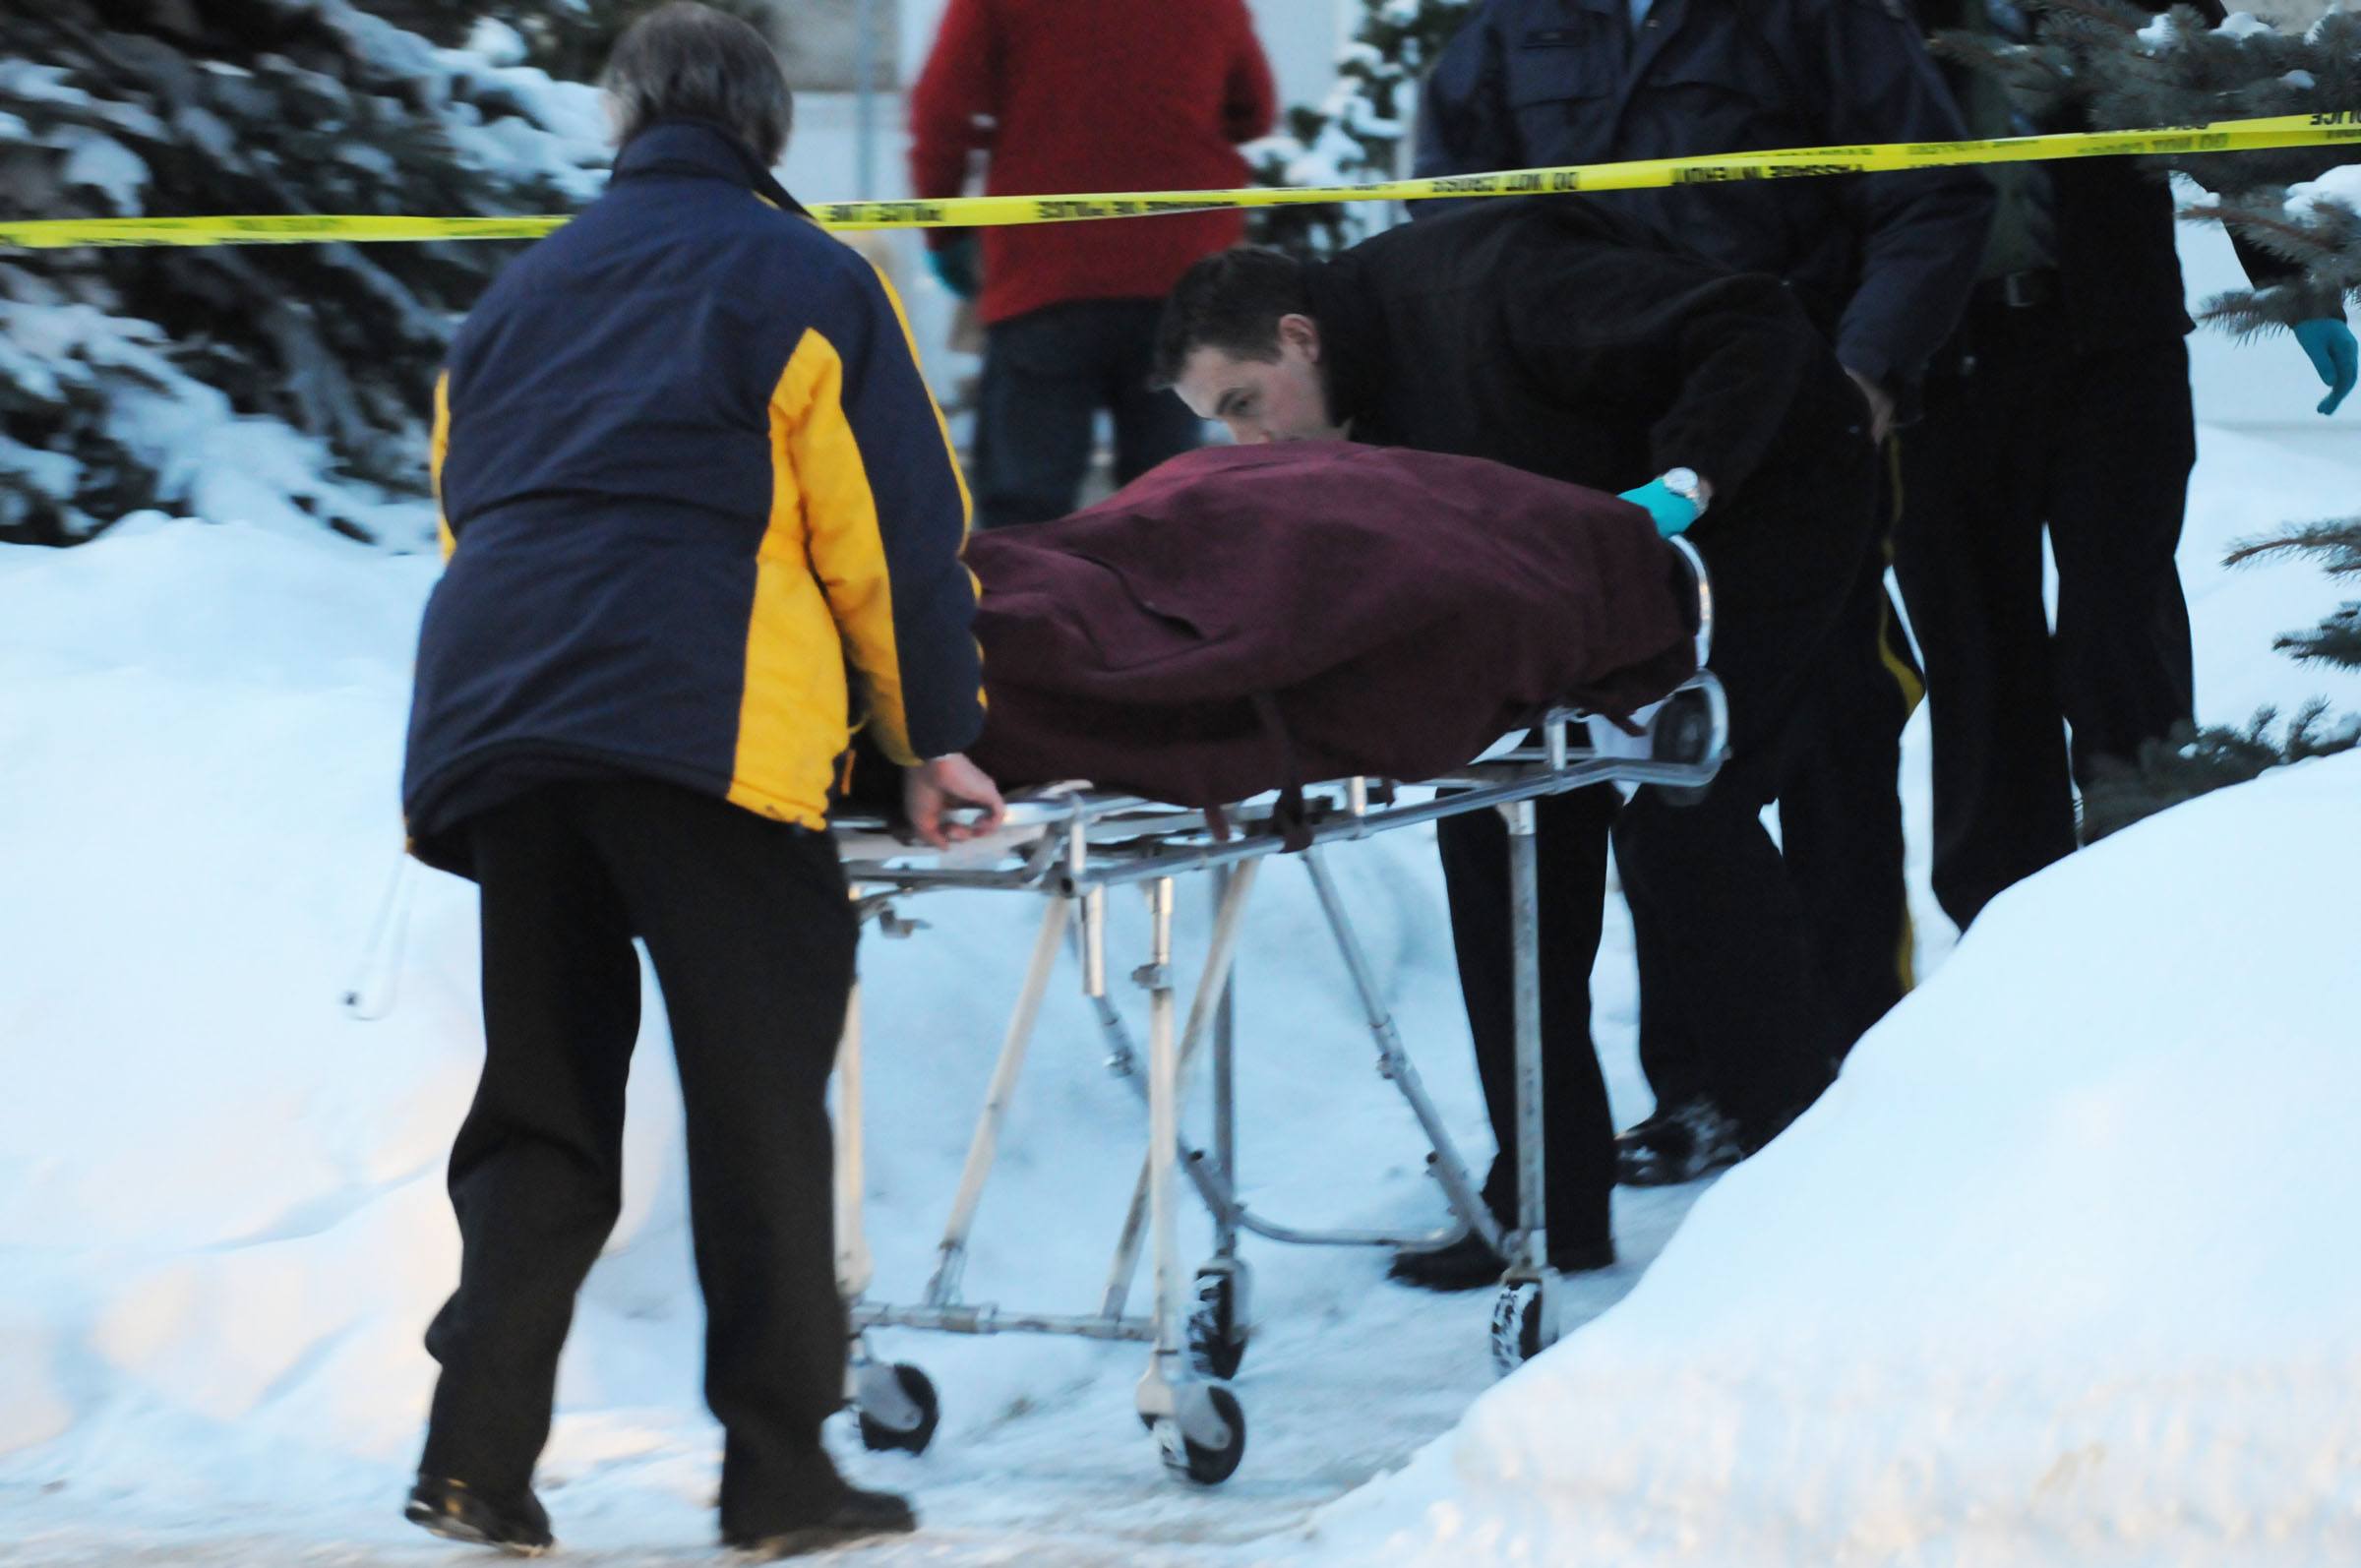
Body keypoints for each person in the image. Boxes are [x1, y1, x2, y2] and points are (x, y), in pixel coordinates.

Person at [396, 5, 1003, 1556]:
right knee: (754, 1106)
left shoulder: (515, 297)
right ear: (769, 131)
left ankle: (474, 1458)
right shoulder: (808, 277)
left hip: (499, 722)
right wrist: (929, 734)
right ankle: (779, 1470)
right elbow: (889, 538)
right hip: (701, 721)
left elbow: (472, 510)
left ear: (623, 122)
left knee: (541, 1097)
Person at [1154, 202, 1879, 1288]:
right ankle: (1546, 1198)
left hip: (1765, 500)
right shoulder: (1349, 405)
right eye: (1222, 423)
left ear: (1301, 338)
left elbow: (1753, 325)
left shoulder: (1488, 288)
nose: (1248, 443)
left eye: (1246, 405)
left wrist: (1684, 483)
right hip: (1579, 556)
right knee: (1497, 819)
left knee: (1684, 816)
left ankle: (1817, 1162)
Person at [1415, 0, 1995, 1185]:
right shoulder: (1509, 31)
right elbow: (1453, 229)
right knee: (1659, 760)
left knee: (1830, 738)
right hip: (1603, 460)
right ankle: (1705, 1092)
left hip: (1797, 441)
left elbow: (1934, 192)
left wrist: (1868, 367)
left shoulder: (1810, 16)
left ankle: (1859, 1069)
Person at [1896, 0, 2359, 930]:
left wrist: (2295, 277)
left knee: (2121, 618)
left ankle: (2155, 886)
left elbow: (2222, 101)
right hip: (1937, 358)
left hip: (2114, 341)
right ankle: (2004, 919)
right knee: (1978, 645)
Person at [908, 0, 1277, 528]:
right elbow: (1254, 109)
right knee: (1168, 510)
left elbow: (941, 115)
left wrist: (945, 233)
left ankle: (1029, 611)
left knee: (1026, 510)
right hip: (1179, 279)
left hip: (1044, 275)